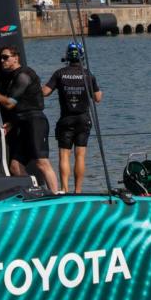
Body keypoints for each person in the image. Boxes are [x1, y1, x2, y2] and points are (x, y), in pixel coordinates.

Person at [0, 46, 61, 192]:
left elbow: (9, 103)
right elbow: (24, 102)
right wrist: (13, 122)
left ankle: (55, 194)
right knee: (15, 166)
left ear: (16, 58)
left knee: (41, 162)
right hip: (22, 123)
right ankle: (36, 192)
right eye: (1, 58)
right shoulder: (12, 76)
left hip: (35, 122)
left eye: (6, 57)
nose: (2, 60)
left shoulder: (24, 75)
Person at [42, 42, 103, 194]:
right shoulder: (88, 74)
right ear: (82, 56)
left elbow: (44, 92)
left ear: (67, 56)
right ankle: (78, 190)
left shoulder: (59, 73)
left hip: (66, 119)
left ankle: (64, 189)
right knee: (80, 155)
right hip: (83, 119)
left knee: (64, 155)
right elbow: (98, 98)